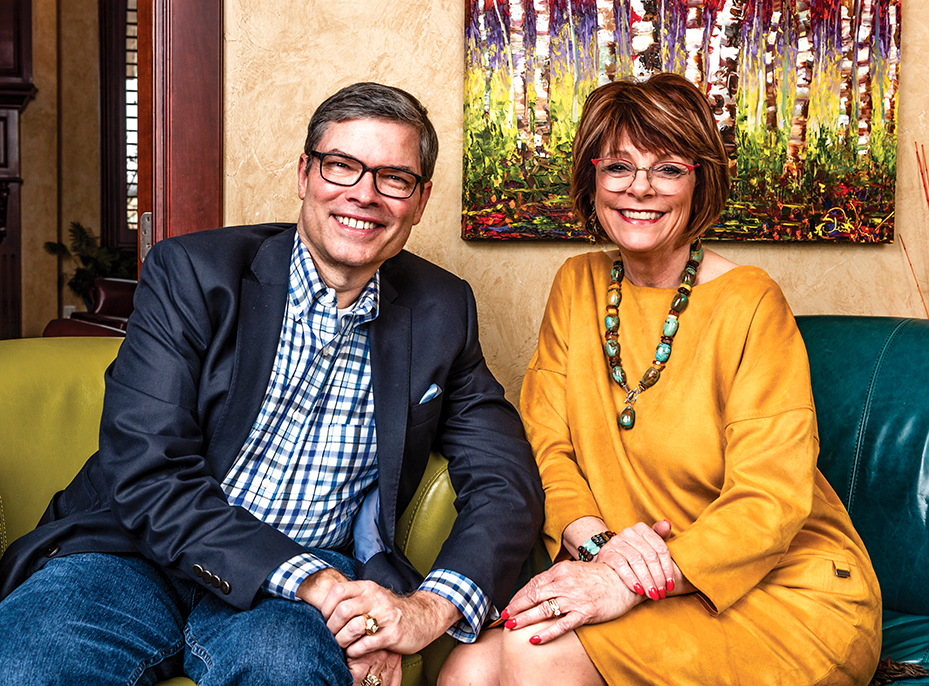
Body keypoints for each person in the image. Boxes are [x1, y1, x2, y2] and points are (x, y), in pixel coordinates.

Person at [0, 82, 543, 686]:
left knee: (288, 669)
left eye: (394, 178)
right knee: (30, 663)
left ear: (420, 201)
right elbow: (147, 471)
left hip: (298, 594)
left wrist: (427, 608)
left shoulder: (443, 309)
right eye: (342, 166)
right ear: (306, 172)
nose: (363, 195)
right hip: (133, 552)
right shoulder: (191, 273)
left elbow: (504, 479)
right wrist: (316, 582)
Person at [439, 73, 881, 686]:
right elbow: (547, 444)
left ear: (699, 180)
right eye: (618, 165)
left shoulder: (752, 303)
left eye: (668, 168)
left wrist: (629, 580)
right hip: (624, 566)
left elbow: (770, 499)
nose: (639, 189)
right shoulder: (577, 285)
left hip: (776, 592)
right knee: (468, 667)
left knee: (529, 658)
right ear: (592, 176)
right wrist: (598, 549)